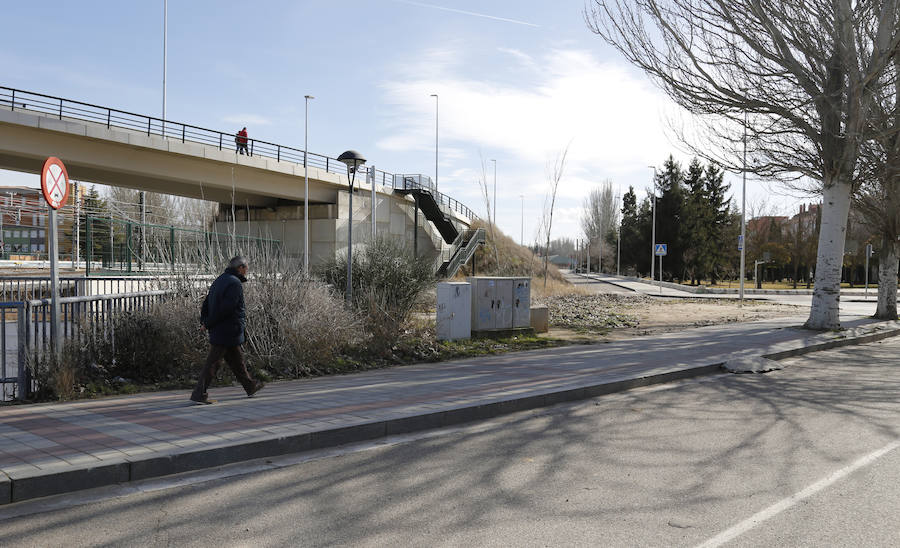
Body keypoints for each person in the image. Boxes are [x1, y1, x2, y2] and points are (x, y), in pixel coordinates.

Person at [191, 256, 263, 404]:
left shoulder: (219, 280)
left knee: (236, 361)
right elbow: (227, 309)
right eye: (246, 268)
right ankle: (199, 393)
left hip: (222, 329)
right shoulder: (234, 283)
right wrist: (209, 323)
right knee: (213, 362)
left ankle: (250, 386)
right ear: (241, 268)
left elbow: (207, 302)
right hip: (228, 329)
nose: (247, 272)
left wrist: (205, 321)